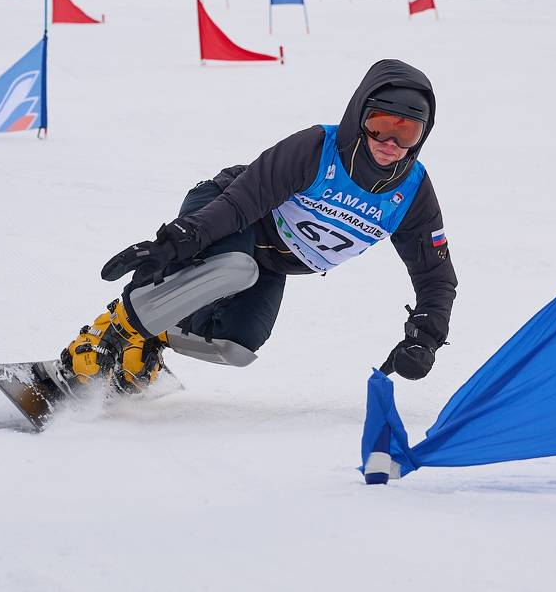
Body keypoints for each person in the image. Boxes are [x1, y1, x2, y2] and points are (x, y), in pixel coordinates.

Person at [54, 61, 457, 398]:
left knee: (237, 344)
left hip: (270, 262)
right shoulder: (318, 149)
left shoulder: (411, 193)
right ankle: (105, 339)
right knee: (233, 268)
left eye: (407, 132)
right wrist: (175, 242)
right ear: (359, 117)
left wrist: (425, 337)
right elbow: (239, 204)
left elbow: (435, 276)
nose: (391, 142)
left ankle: (148, 340)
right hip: (225, 216)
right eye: (380, 125)